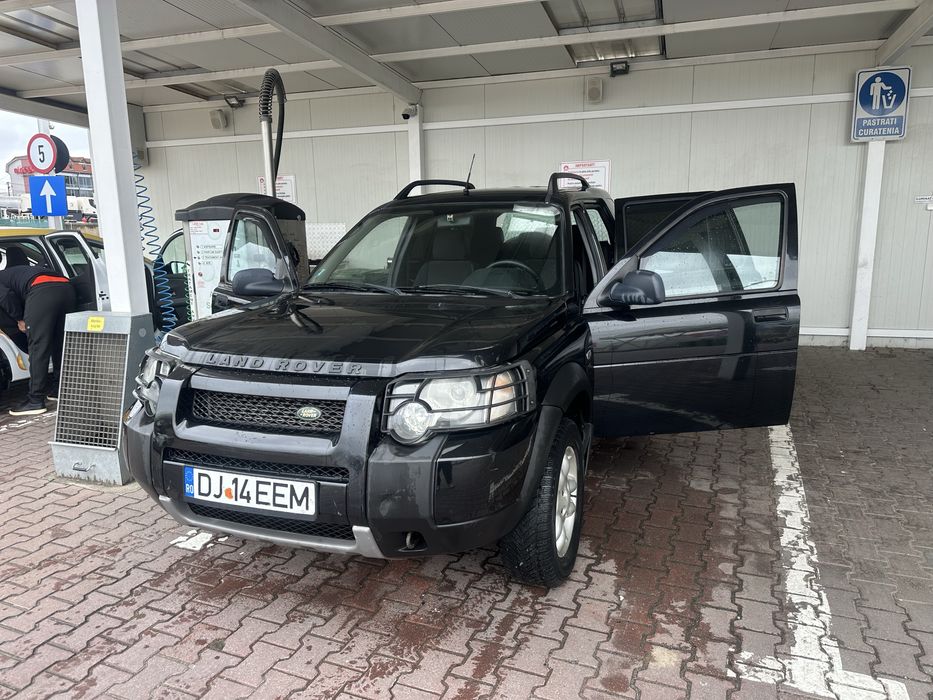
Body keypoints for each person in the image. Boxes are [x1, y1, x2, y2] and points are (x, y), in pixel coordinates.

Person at [0, 250, 76, 416]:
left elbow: (5, 297)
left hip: (41, 290)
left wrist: (20, 319)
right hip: (66, 287)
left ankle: (35, 400)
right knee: (60, 342)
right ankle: (59, 389)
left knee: (38, 346)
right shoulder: (16, 272)